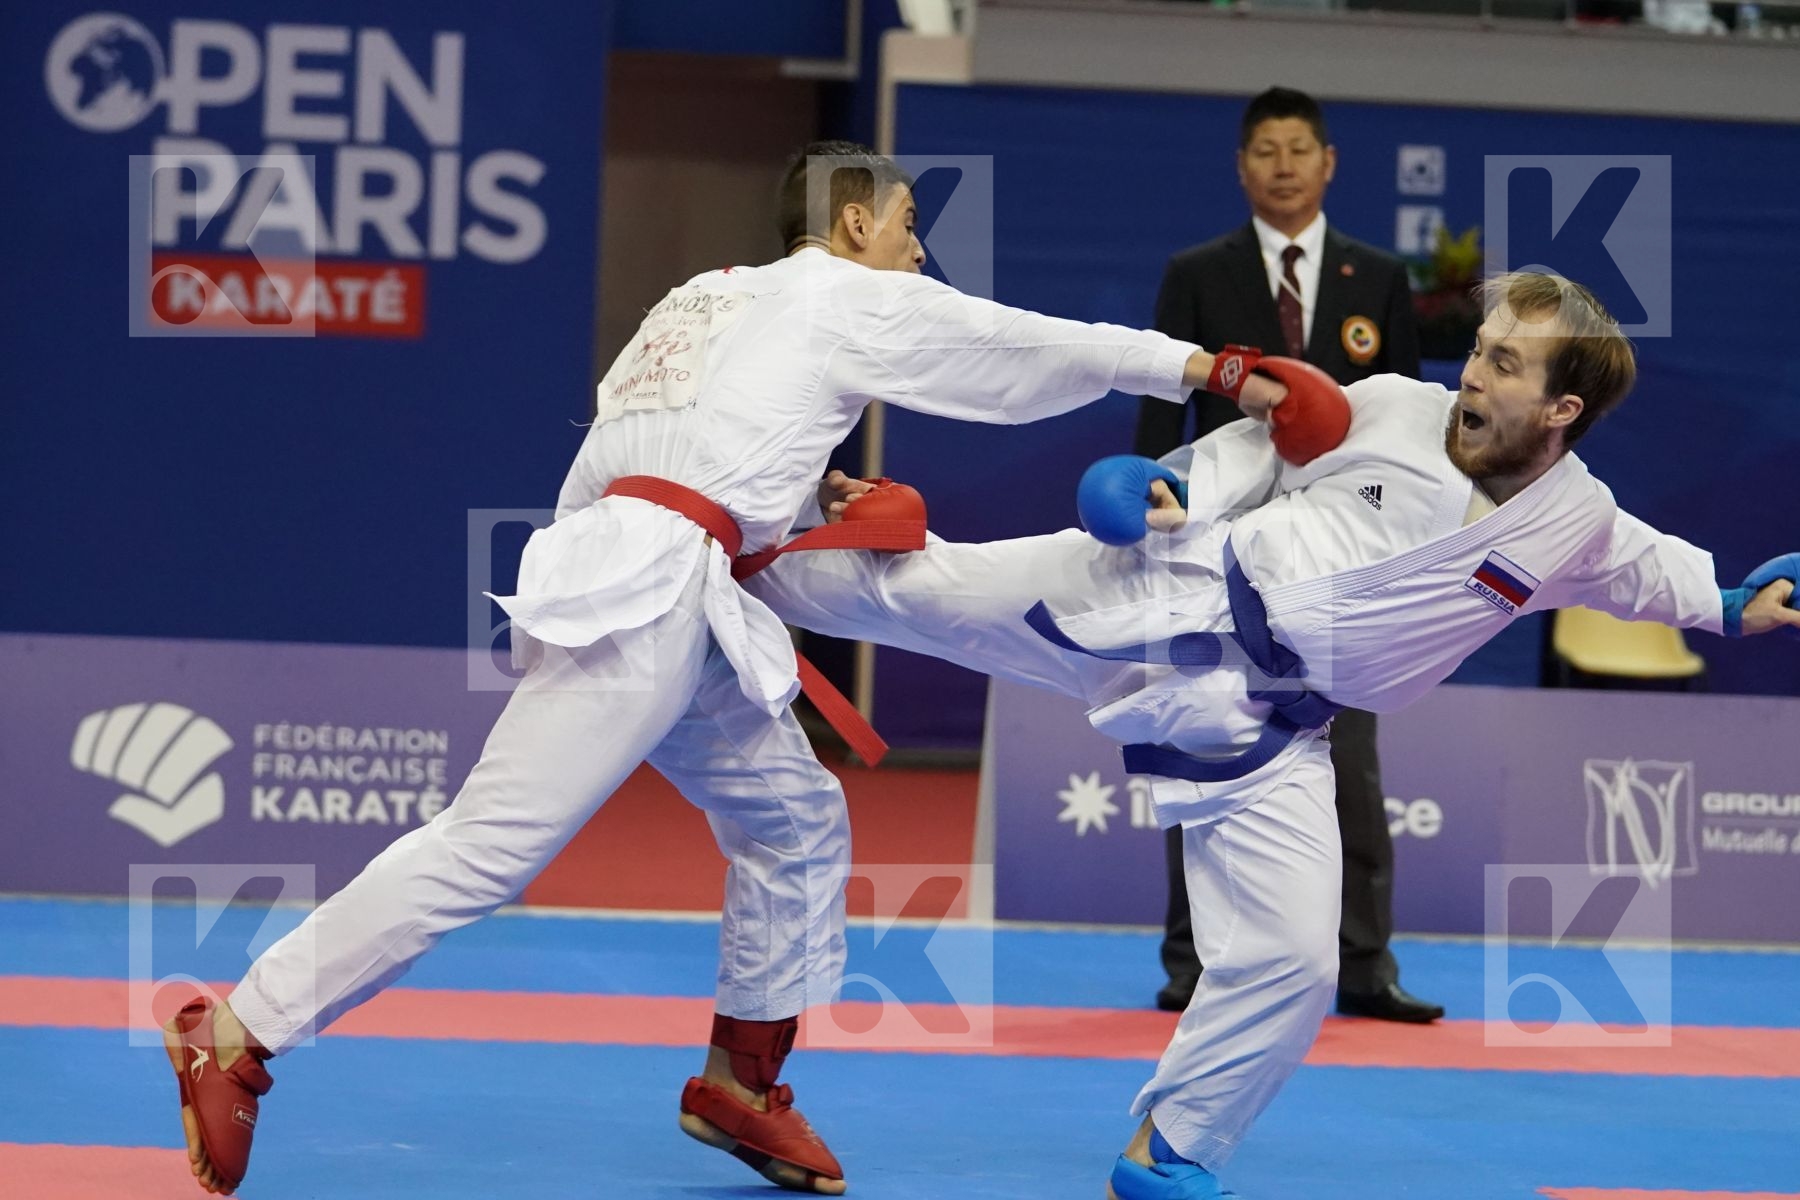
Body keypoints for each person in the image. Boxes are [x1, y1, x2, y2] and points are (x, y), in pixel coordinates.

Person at [155, 140, 1330, 1197]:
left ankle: (742, 1083)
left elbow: (649, 449)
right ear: (854, 219)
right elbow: (1019, 346)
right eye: (912, 221)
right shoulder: (843, 289)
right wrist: (1213, 372)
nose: (922, 248)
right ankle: (241, 1027)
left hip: (654, 573)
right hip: (663, 583)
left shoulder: (700, 300)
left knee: (793, 817)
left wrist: (793, 499)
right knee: (490, 845)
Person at [744, 271, 1800, 1198]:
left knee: (1295, 961)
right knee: (923, 591)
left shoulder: (1578, 524)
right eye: (1479, 350)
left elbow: (1665, 575)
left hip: (1273, 727)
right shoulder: (1387, 404)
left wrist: (1739, 597)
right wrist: (1162, 487)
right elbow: (1245, 456)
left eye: (1506, 365)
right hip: (1170, 595)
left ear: (1563, 407)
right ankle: (725, 546)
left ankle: (1167, 1152)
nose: (1474, 374)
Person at [1134, 85, 1436, 1021]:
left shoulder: (1378, 279)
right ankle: (1191, 965)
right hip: (1218, 555)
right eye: (1265, 149)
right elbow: (1160, 411)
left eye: (1299, 147)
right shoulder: (1197, 273)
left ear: (1329, 162)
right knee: (1201, 743)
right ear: (1242, 166)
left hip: (1343, 555)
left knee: (1352, 760)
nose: (1284, 165)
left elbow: (1416, 423)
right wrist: (1149, 517)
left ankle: (1365, 967)